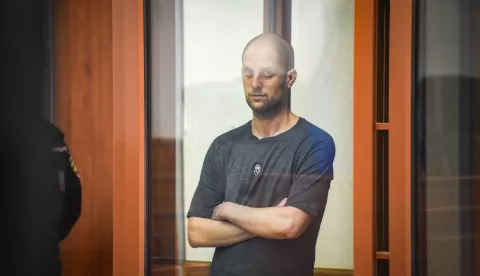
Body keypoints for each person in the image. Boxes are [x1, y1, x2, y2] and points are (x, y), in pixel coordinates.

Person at [186, 32, 336, 276]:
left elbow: (289, 225)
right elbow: (197, 232)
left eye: (267, 74)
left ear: (290, 79)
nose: (255, 82)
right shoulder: (224, 145)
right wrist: (267, 221)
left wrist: (227, 210)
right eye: (248, 73)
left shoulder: (315, 143)